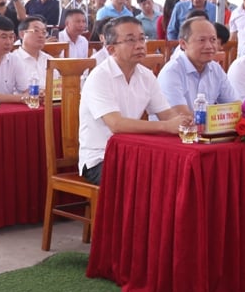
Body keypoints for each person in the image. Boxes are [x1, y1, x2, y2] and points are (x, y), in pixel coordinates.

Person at [79, 17, 190, 185]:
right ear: (111, 49)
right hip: (101, 158)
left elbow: (166, 113)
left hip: (133, 152)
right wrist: (166, 127)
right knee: (152, 179)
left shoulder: (146, 75)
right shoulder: (99, 77)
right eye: (131, 40)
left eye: (142, 38)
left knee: (177, 170)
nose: (139, 45)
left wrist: (182, 122)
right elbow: (116, 125)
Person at [157, 17, 237, 111]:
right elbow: (181, 118)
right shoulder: (171, 72)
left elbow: (235, 106)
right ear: (183, 44)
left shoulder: (215, 69)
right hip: (177, 125)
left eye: (213, 40)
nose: (209, 46)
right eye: (202, 40)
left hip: (207, 125)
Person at [12, 16, 51, 89]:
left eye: (44, 32)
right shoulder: (12, 60)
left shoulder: (49, 59)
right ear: (22, 34)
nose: (41, 35)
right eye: (36, 31)